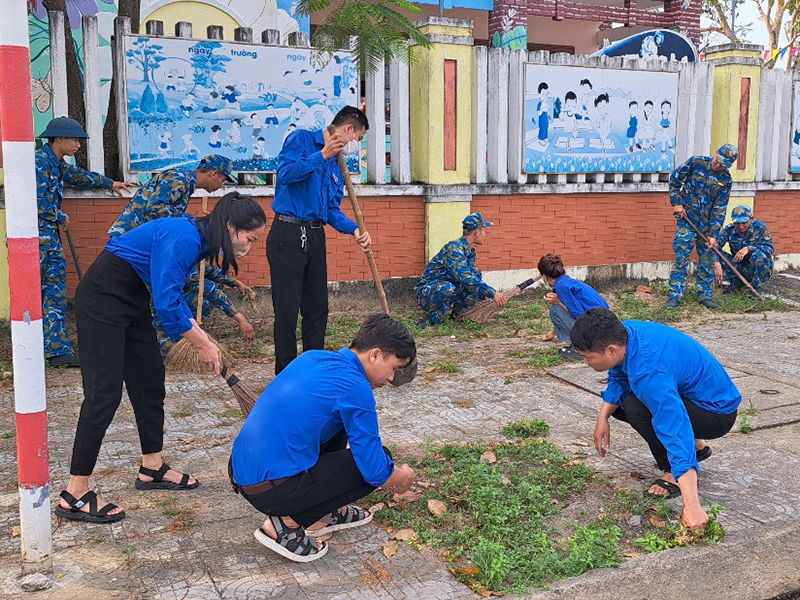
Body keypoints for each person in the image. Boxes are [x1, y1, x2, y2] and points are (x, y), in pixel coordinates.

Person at [55, 192, 267, 524]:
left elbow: (170, 293)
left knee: (150, 382)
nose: (249, 247)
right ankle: (75, 493)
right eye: (250, 239)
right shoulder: (183, 235)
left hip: (132, 301)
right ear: (230, 226)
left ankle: (151, 467)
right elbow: (168, 307)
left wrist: (196, 330)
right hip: (102, 300)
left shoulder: (199, 240)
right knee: (103, 395)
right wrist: (202, 343)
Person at [230, 315, 417, 562]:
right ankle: (284, 525)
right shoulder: (355, 387)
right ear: (374, 354)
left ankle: (324, 514)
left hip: (243, 472)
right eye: (394, 368)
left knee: (338, 422)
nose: (392, 378)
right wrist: (401, 477)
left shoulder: (314, 357)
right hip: (271, 489)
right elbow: (375, 470)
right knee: (381, 461)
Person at [571, 308, 741, 534]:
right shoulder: (625, 333)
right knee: (622, 405)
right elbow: (619, 374)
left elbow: (674, 428)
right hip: (695, 396)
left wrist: (692, 507)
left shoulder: (649, 374)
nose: (585, 362)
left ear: (611, 350)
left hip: (716, 414)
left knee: (635, 407)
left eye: (587, 356)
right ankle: (697, 445)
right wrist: (602, 417)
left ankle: (672, 471)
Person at [268, 106, 372, 375]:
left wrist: (354, 230)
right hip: (288, 234)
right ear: (348, 129)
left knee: (317, 308)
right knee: (288, 311)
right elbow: (286, 175)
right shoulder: (301, 139)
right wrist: (321, 155)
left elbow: (330, 210)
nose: (353, 144)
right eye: (357, 138)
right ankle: (287, 374)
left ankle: (312, 371)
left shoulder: (338, 164)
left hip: (315, 235)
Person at [35, 117, 133, 367]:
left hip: (48, 239)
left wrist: (110, 183)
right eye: (75, 140)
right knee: (48, 292)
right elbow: (33, 200)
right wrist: (59, 216)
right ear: (59, 139)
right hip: (36, 240)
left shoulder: (56, 164)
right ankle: (51, 350)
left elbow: (79, 176)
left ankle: (56, 349)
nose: (79, 145)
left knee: (53, 292)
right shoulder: (39, 163)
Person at [666, 143, 739, 309]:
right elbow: (674, 180)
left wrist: (714, 234)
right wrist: (677, 203)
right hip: (687, 220)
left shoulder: (725, 180)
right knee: (681, 257)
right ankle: (675, 295)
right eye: (719, 160)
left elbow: (719, 208)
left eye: (724, 165)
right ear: (715, 153)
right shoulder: (696, 162)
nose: (719, 165)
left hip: (706, 227)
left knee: (707, 261)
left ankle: (705, 295)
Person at [108, 154, 235, 238]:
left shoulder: (185, 181)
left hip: (135, 237)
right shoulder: (179, 179)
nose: (221, 185)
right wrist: (192, 218)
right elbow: (155, 208)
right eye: (222, 180)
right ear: (214, 174)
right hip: (128, 238)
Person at [415, 213, 507, 328]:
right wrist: (491, 292)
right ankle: (433, 319)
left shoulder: (469, 250)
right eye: (484, 231)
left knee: (476, 273)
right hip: (428, 293)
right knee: (448, 287)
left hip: (448, 286)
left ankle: (458, 314)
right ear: (476, 232)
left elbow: (471, 277)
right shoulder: (454, 250)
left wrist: (483, 294)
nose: (485, 235)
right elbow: (466, 278)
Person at [154, 263, 255, 357]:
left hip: (177, 299)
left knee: (217, 285)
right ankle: (169, 345)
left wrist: (236, 283)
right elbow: (209, 290)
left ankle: (187, 333)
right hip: (160, 301)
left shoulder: (196, 257)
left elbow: (211, 271)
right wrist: (240, 319)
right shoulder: (180, 259)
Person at [537, 253, 608, 359]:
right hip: (606, 326)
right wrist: (553, 332)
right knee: (557, 308)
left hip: (595, 329)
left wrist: (558, 302)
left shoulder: (561, 287)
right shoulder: (568, 282)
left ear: (544, 277)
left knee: (555, 309)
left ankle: (578, 348)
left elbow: (579, 315)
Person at [714, 205, 774, 294]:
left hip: (758, 268)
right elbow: (715, 247)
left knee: (758, 255)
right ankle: (736, 283)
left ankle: (755, 287)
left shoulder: (760, 228)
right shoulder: (729, 229)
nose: (741, 226)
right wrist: (716, 263)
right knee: (716, 255)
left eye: (744, 223)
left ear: (751, 219)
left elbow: (769, 249)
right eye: (737, 223)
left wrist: (749, 249)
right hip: (738, 265)